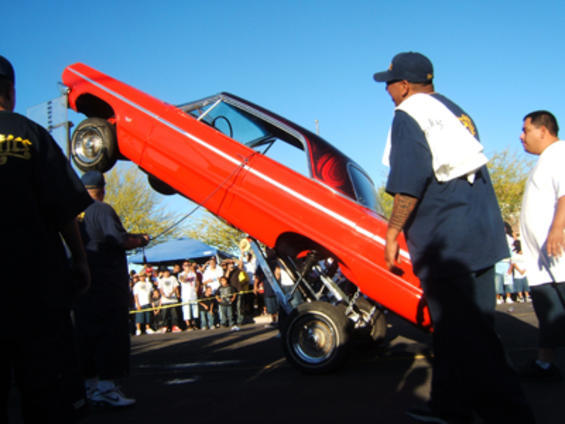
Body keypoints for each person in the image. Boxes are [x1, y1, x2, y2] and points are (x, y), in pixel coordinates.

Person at [373, 52, 535, 423]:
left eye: (390, 82)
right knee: (454, 334)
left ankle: (515, 416)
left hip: (447, 242)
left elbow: (410, 184)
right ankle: (451, 407)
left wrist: (393, 232)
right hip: (479, 235)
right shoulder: (456, 112)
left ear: (405, 85)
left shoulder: (408, 113)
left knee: (474, 341)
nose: (387, 89)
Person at [0, 55, 93, 423]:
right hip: (35, 285)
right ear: (11, 89)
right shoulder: (30, 133)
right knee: (47, 390)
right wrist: (81, 260)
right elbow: (64, 209)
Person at [74, 170, 150, 408]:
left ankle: (90, 387)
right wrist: (141, 240)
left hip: (82, 284)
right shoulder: (102, 210)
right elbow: (118, 239)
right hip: (107, 284)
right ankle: (107, 388)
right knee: (111, 334)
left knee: (86, 336)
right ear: (102, 189)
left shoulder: (74, 213)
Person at [519, 110, 565, 381]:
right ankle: (545, 365)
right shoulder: (546, 160)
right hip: (543, 263)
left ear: (543, 130)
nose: (521, 136)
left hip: (560, 259)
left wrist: (558, 228)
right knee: (550, 317)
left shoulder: (559, 153)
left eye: (526, 130)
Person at [157, 267, 182, 333]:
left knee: (174, 314)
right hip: (165, 300)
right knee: (165, 314)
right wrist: (164, 295)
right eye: (165, 272)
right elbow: (160, 289)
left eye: (168, 272)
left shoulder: (173, 278)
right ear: (163, 273)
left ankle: (175, 326)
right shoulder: (161, 280)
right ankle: (165, 326)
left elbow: (176, 286)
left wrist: (173, 293)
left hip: (173, 299)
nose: (167, 273)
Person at [179, 261, 199, 330]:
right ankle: (188, 325)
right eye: (186, 265)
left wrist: (197, 288)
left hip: (193, 293)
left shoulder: (193, 273)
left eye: (188, 265)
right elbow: (183, 280)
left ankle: (194, 323)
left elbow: (197, 282)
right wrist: (186, 273)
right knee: (186, 309)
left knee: (194, 309)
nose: (187, 266)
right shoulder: (181, 274)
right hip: (185, 294)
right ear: (183, 266)